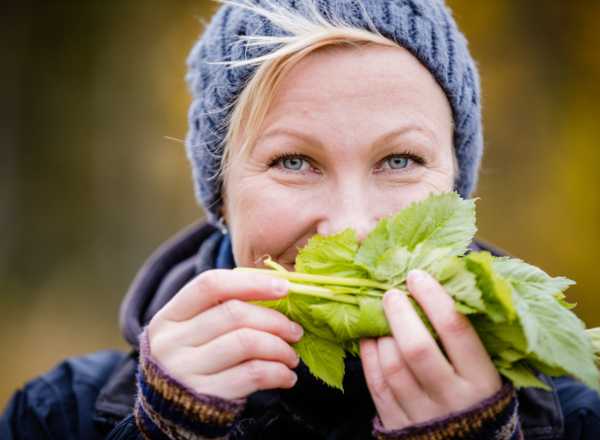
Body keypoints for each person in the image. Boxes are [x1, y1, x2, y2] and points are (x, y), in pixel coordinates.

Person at [2, 0, 599, 439]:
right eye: (293, 161)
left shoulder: (579, 418)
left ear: (455, 184)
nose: (350, 227)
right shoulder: (57, 417)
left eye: (399, 160)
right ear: (222, 195)